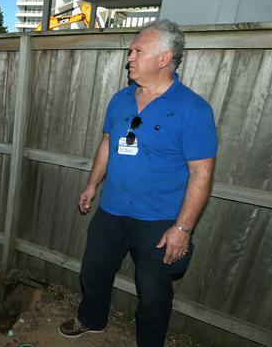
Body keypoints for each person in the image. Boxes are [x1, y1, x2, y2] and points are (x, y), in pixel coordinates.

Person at [58, 19, 218, 346]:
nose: (129, 57)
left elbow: (202, 174)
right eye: (130, 50)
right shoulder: (120, 99)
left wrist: (183, 229)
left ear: (163, 58)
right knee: (94, 272)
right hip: (112, 210)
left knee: (154, 293)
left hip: (159, 222)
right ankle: (91, 319)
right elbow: (107, 143)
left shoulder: (193, 110)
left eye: (137, 51)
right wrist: (92, 185)